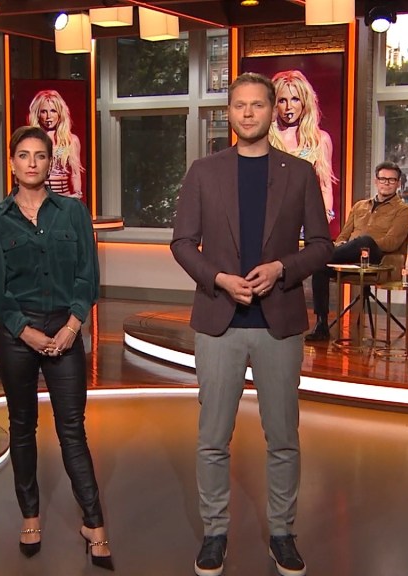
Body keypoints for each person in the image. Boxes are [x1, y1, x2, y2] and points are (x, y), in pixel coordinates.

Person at [171, 72, 332, 576]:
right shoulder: (204, 171)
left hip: (278, 323)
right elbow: (182, 243)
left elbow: (322, 246)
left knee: (283, 438)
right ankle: (214, 533)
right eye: (239, 105)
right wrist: (218, 278)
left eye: (257, 105)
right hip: (219, 322)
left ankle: (282, 534)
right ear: (230, 112)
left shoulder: (299, 173)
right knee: (212, 438)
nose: (247, 113)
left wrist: (283, 267)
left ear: (273, 110)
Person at [0, 125, 112, 570]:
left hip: (65, 328)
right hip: (18, 335)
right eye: (23, 155)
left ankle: (94, 523)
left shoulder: (73, 212)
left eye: (39, 155)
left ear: (51, 163)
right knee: (22, 427)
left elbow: (87, 276)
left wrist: (73, 326)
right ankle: (30, 516)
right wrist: (25, 331)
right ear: (12, 163)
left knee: (73, 429)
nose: (31, 163)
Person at [305, 161, 408, 341]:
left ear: (398, 183)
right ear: (376, 181)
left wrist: (362, 245)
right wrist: (343, 245)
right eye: (383, 179)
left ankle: (315, 257)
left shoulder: (403, 210)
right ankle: (321, 325)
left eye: (391, 180)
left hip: (378, 260)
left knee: (364, 241)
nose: (386, 183)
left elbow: (392, 242)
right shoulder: (359, 206)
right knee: (320, 266)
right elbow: (343, 236)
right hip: (350, 256)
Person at [268, 70, 338, 225]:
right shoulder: (265, 139)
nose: (289, 107)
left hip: (307, 222)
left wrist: (325, 218)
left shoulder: (319, 140)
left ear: (304, 102)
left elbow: (325, 186)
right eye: (282, 100)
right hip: (271, 222)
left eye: (295, 99)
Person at [27, 89, 84, 200]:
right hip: (39, 198)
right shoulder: (31, 139)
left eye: (53, 111)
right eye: (44, 111)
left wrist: (77, 195)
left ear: (60, 113)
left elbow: (75, 173)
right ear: (37, 114)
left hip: (64, 197)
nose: (48, 116)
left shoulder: (71, 140)